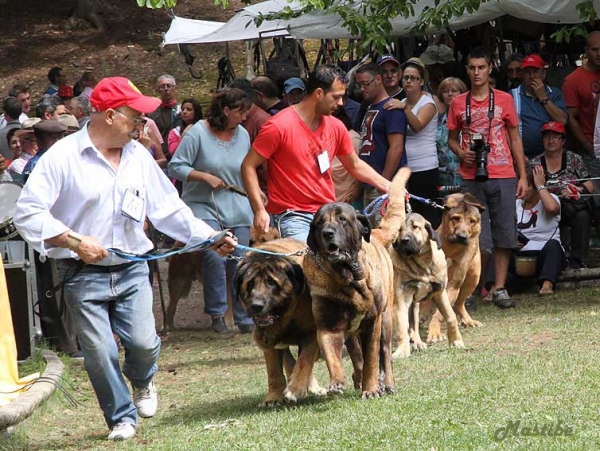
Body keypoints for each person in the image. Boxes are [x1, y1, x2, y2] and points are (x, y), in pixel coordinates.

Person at [13, 76, 238, 441]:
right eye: (136, 116)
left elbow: (168, 209)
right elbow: (28, 213)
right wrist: (73, 240)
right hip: (82, 272)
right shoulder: (62, 157)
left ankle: (143, 380)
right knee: (100, 352)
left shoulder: (138, 157)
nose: (142, 124)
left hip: (133, 267)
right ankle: (121, 417)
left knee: (144, 344)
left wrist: (209, 237)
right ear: (111, 115)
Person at [241, 64, 391, 242]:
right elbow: (248, 165)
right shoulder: (278, 125)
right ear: (319, 93)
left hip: (328, 214)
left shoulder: (336, 126)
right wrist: (259, 209)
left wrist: (389, 186)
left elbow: (355, 165)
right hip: (292, 216)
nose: (341, 103)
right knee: (307, 262)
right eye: (336, 97)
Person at [169, 88, 255, 335]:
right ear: (226, 110)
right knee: (215, 254)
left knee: (239, 258)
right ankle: (217, 314)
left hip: (236, 202)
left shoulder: (243, 135)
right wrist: (203, 176)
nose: (245, 117)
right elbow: (176, 166)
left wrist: (255, 193)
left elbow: (246, 168)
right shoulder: (197, 133)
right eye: (241, 111)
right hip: (203, 203)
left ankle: (243, 316)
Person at [447, 46, 527, 309]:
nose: (477, 72)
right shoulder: (459, 103)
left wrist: (522, 176)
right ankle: (470, 289)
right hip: (471, 176)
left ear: (490, 68)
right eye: (472, 68)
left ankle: (499, 288)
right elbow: (450, 139)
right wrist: (462, 153)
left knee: (505, 231)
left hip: (503, 173)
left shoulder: (503, 99)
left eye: (482, 67)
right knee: (471, 235)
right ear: (467, 70)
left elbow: (515, 139)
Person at [384, 57, 440, 227]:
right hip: (405, 167)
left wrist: (405, 109)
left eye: (413, 78)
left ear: (422, 81)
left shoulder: (428, 102)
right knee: (408, 214)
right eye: (406, 77)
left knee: (426, 217)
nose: (408, 81)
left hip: (425, 166)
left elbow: (417, 125)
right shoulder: (401, 102)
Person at [531, 121, 595, 269]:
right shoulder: (535, 162)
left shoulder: (574, 159)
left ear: (563, 141)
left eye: (555, 137)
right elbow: (529, 189)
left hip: (570, 205)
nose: (550, 140)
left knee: (582, 215)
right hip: (544, 208)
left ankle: (578, 261)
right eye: (547, 137)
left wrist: (574, 190)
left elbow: (590, 185)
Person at [355, 63, 407, 220]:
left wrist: (383, 182)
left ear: (378, 79)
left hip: (385, 184)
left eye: (366, 84)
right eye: (359, 85)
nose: (362, 89)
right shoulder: (369, 107)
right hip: (369, 183)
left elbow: (396, 148)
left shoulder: (391, 108)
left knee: (386, 233)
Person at [514, 166, 565, 295]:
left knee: (554, 245)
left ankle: (547, 285)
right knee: (500, 248)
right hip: (521, 256)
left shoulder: (551, 198)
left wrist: (541, 186)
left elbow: (553, 209)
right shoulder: (516, 203)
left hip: (545, 254)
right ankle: (493, 288)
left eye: (528, 186)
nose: (522, 190)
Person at [510, 54, 568, 159]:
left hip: (551, 155)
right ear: (522, 74)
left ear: (543, 74)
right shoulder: (512, 95)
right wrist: (518, 155)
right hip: (523, 156)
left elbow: (562, 120)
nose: (532, 76)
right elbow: (505, 130)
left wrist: (543, 97)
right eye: (528, 72)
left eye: (536, 71)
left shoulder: (554, 93)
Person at [562, 31, 600, 184]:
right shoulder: (573, 80)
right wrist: (587, 146)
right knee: (596, 198)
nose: (599, 53)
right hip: (592, 148)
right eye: (595, 49)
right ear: (586, 50)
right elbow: (571, 117)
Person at [436, 77, 467, 188]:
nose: (449, 94)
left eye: (454, 91)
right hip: (443, 180)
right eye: (445, 91)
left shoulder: (471, 119)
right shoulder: (436, 121)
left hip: (466, 180)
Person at [147, 74, 181, 157]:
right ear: (158, 90)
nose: (166, 89)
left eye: (169, 86)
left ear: (175, 88)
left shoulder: (182, 110)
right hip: (161, 156)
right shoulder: (152, 113)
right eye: (162, 87)